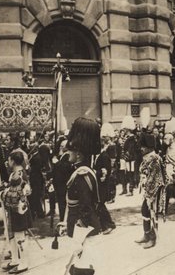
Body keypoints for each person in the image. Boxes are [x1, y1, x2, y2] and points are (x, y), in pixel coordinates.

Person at [62, 117, 102, 275]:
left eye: (70, 150)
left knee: (82, 271)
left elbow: (85, 208)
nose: (67, 152)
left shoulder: (82, 174)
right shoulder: (81, 171)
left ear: (78, 154)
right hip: (81, 230)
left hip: (85, 231)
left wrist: (79, 238)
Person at [1, 150, 32, 274]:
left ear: (12, 161)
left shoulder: (21, 174)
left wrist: (8, 193)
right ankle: (15, 260)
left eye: (9, 160)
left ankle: (23, 263)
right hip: (12, 209)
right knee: (12, 235)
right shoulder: (13, 174)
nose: (8, 162)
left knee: (20, 236)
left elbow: (27, 190)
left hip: (20, 209)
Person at [134, 131, 165, 249]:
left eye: (143, 147)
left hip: (154, 191)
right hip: (148, 190)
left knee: (152, 213)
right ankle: (146, 234)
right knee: (144, 211)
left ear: (149, 147)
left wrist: (148, 188)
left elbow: (154, 177)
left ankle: (153, 238)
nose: (141, 149)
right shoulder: (147, 157)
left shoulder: (155, 159)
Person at [94, 123, 116, 234]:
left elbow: (106, 171)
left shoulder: (105, 155)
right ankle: (104, 225)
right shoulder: (101, 154)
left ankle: (109, 224)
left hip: (103, 184)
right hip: (100, 183)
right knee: (99, 205)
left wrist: (98, 173)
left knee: (100, 204)